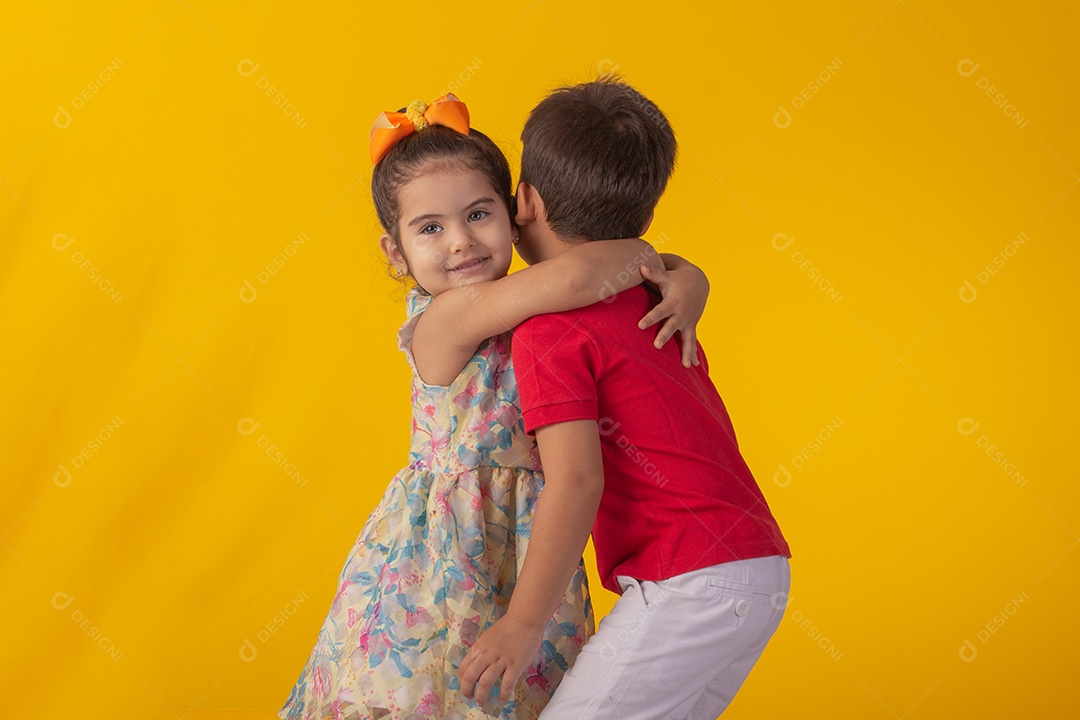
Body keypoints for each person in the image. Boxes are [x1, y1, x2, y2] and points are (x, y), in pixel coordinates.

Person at [278, 93, 711, 720]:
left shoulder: (530, 304)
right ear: (395, 254)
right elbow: (575, 276)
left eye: (478, 214)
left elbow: (582, 275)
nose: (460, 242)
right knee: (423, 696)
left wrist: (684, 275)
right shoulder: (445, 319)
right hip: (436, 562)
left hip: (530, 547)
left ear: (514, 216)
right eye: (429, 228)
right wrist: (674, 267)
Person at [458, 77, 792, 720]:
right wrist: (689, 272)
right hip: (754, 567)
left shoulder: (547, 330)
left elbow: (577, 480)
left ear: (523, 199)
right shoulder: (654, 289)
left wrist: (524, 624)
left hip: (692, 579)